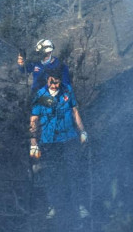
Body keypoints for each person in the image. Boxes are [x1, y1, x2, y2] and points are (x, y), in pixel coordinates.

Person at [29, 70, 89, 219]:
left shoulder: (67, 91)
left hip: (69, 138)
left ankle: (79, 205)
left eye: (57, 82)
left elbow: (75, 111)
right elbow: (34, 119)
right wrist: (33, 142)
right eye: (52, 82)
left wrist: (82, 131)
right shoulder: (41, 95)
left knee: (74, 171)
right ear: (47, 80)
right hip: (50, 141)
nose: (55, 85)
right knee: (53, 174)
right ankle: (53, 205)